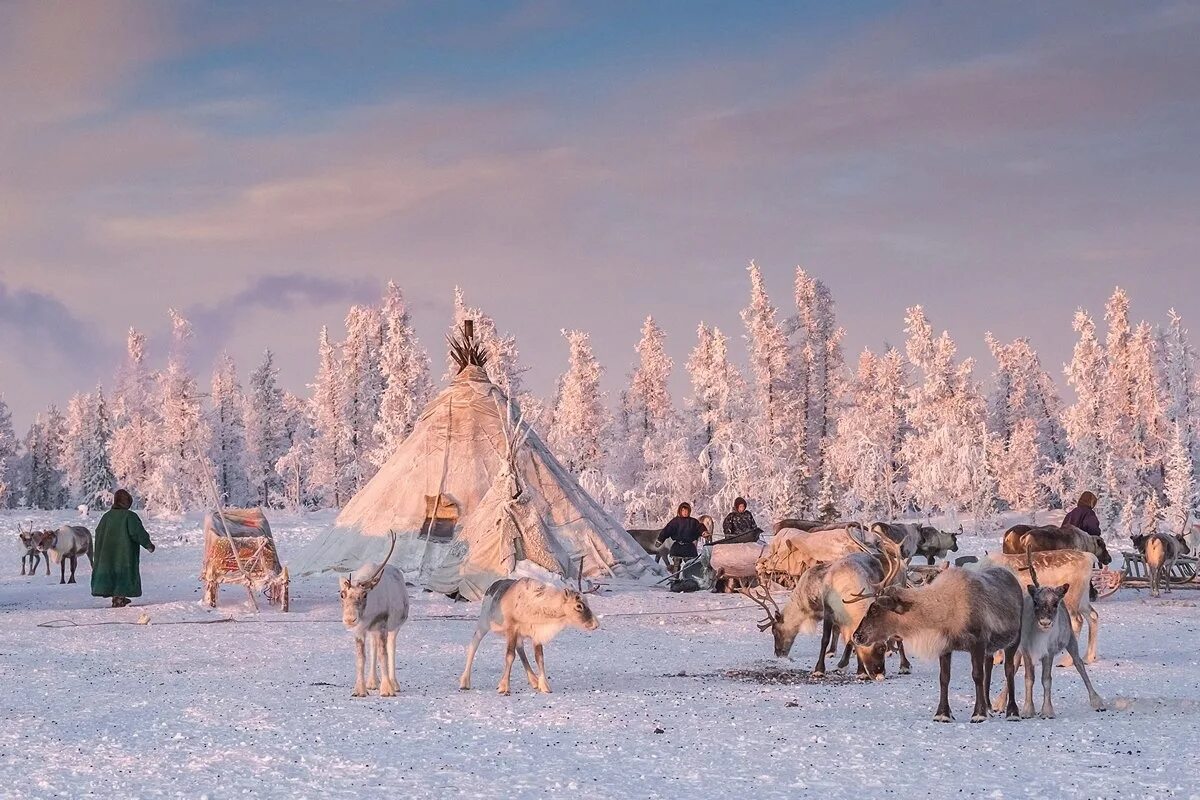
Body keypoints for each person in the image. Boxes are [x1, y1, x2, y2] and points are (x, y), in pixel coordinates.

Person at [91, 489, 156, 608]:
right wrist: (148, 544)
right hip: (124, 554)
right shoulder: (129, 516)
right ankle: (119, 597)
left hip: (107, 555)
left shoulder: (106, 517)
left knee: (111, 573)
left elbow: (98, 532)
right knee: (123, 573)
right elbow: (137, 533)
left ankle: (117, 597)